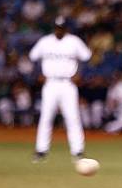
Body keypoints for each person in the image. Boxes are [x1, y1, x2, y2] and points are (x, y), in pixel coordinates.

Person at [29, 16, 92, 162]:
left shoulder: (74, 41)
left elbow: (87, 59)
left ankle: (78, 151)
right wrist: (37, 74)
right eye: (57, 27)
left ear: (66, 28)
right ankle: (41, 151)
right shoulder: (45, 41)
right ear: (54, 28)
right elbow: (32, 58)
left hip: (68, 84)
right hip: (50, 83)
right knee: (46, 117)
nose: (59, 30)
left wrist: (79, 74)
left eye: (61, 27)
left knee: (72, 117)